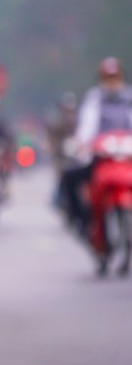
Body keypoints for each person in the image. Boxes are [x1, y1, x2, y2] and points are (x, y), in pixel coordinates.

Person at [60, 57, 132, 245]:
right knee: (69, 176)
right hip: (101, 157)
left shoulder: (129, 98)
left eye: (115, 77)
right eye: (108, 78)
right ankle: (80, 220)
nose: (112, 82)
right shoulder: (94, 99)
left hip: (126, 159)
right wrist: (83, 143)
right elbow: (86, 126)